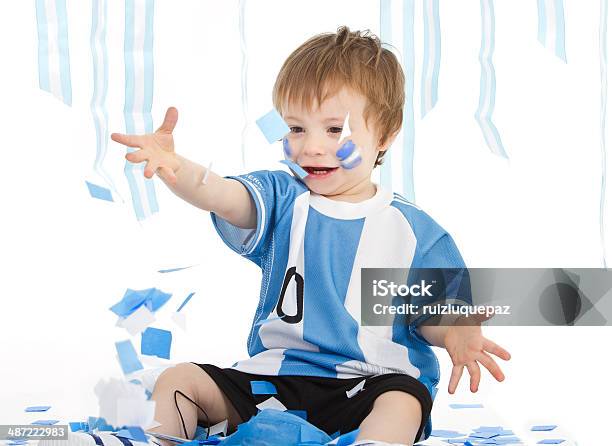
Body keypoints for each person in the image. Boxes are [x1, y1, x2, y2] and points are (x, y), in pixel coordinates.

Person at [110, 26, 511, 446]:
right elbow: (225, 196)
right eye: (297, 129)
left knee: (403, 402)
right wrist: (178, 169)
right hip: (272, 383)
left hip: (368, 385)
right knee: (180, 379)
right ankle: (157, 440)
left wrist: (455, 333)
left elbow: (426, 315)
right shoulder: (285, 200)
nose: (310, 148)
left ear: (386, 134)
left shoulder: (414, 233)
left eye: (335, 130)